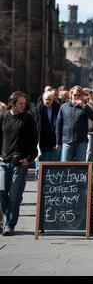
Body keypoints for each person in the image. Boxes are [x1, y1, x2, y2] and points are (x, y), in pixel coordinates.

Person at [0, 91, 38, 236]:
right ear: (12, 103)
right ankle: (6, 218)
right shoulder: (3, 117)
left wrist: (29, 159)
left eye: (24, 103)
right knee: (2, 193)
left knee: (15, 195)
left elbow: (34, 140)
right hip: (3, 162)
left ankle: (9, 224)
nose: (23, 105)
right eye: (20, 103)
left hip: (20, 164)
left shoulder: (28, 118)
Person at [55, 86, 93, 162]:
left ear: (82, 96)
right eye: (75, 95)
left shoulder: (85, 106)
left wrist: (84, 106)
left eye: (79, 95)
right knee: (65, 167)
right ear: (71, 95)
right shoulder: (64, 107)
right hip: (67, 142)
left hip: (81, 142)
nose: (77, 97)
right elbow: (58, 124)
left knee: (80, 168)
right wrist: (58, 142)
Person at [34, 91, 60, 179]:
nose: (47, 101)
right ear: (43, 99)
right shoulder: (38, 109)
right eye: (46, 99)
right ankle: (39, 184)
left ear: (53, 99)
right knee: (39, 165)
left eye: (50, 99)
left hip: (53, 140)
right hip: (41, 140)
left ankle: (51, 184)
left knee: (53, 165)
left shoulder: (57, 108)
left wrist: (58, 141)